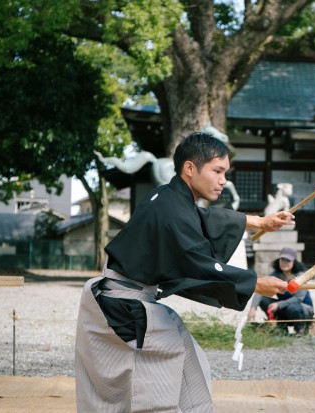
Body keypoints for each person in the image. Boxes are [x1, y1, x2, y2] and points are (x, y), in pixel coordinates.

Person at [75, 132, 294, 413]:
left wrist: (259, 220)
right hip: (124, 308)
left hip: (125, 301)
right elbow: (195, 261)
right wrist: (255, 283)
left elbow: (204, 220)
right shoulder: (172, 210)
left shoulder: (169, 197)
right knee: (158, 381)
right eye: (217, 171)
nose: (223, 180)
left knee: (186, 362)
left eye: (225, 172)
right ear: (190, 168)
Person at [247, 247, 314, 336]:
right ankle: (281, 328)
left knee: (292, 307)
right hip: (284, 308)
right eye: (282, 260)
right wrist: (253, 308)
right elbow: (261, 289)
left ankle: (300, 329)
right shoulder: (275, 275)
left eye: (288, 260)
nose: (284, 263)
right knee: (263, 300)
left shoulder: (301, 276)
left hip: (302, 308)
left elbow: (298, 299)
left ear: (294, 262)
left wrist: (278, 305)